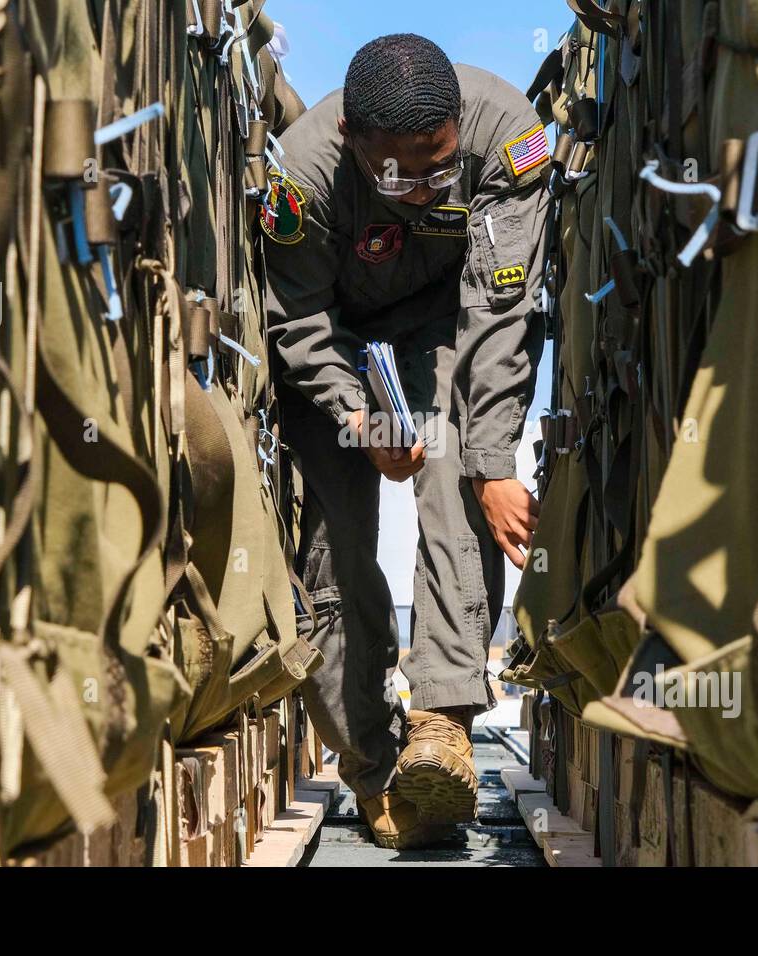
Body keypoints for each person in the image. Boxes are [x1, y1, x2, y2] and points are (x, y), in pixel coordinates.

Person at [262, 33, 548, 848]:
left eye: (439, 166)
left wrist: (496, 464)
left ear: (460, 125)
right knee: (334, 548)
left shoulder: (506, 136)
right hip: (337, 349)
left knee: (456, 470)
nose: (422, 190)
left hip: (441, 328)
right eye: (399, 173)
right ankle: (374, 767)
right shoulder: (302, 175)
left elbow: (499, 313)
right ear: (352, 137)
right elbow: (300, 323)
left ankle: (442, 722)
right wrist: (359, 416)